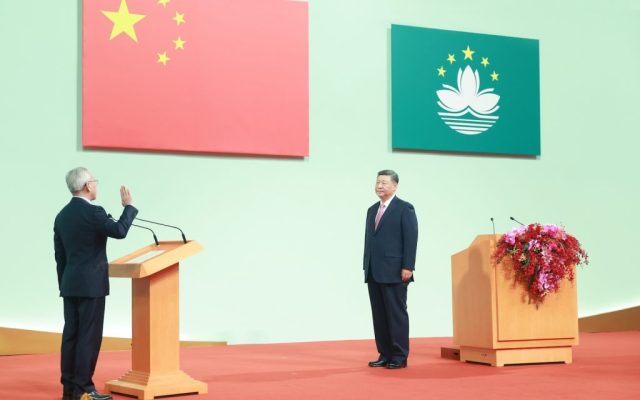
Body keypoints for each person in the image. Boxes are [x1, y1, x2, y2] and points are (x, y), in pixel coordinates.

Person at [54, 167, 138, 400]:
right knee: (88, 337)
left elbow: (59, 256)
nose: (96, 185)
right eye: (95, 182)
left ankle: (69, 389)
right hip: (91, 285)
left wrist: (64, 284)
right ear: (88, 186)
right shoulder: (94, 213)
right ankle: (85, 389)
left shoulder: (61, 216)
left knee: (71, 335)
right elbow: (120, 231)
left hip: (70, 284)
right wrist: (129, 207)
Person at [363, 169, 418, 369]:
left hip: (396, 270)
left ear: (395, 185)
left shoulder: (405, 208)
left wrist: (408, 266)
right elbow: (371, 241)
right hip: (373, 270)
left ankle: (399, 356)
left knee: (396, 314)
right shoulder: (371, 210)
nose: (380, 186)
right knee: (379, 315)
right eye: (378, 182)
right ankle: (384, 353)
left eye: (384, 183)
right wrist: (366, 264)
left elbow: (411, 239)